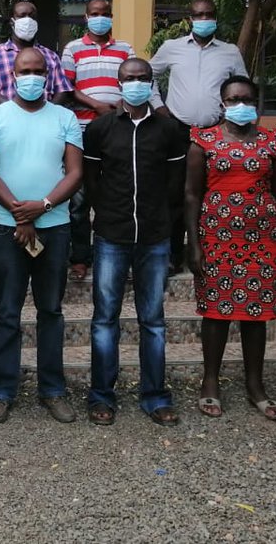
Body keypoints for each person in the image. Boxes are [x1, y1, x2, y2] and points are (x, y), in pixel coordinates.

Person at [0, 48, 82, 424]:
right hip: (8, 229)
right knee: (8, 311)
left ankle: (52, 389)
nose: (32, 76)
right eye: (25, 70)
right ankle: (2, 390)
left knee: (50, 310)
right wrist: (20, 211)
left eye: (39, 70)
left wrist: (43, 205)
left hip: (54, 228)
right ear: (12, 75)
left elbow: (74, 172)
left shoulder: (65, 117)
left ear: (49, 76)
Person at [185, 75, 276, 421]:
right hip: (216, 239)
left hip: (262, 240)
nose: (240, 105)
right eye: (233, 99)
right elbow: (190, 194)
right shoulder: (202, 140)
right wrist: (193, 242)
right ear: (222, 104)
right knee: (215, 314)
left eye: (246, 99)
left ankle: (255, 386)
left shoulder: (272, 141)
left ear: (257, 103)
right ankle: (211, 383)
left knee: (257, 315)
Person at [82, 57, 185, 427]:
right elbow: (90, 180)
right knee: (104, 319)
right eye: (130, 78)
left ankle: (155, 396)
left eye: (143, 78)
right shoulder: (100, 128)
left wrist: (166, 224)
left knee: (153, 320)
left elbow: (176, 184)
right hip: (112, 233)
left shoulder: (170, 130)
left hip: (156, 236)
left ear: (151, 83)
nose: (136, 83)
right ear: (118, 82)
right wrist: (105, 213)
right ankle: (101, 397)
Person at [149, 0, 247, 272]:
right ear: (190, 19)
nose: (204, 20)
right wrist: (158, 106)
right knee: (176, 193)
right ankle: (173, 256)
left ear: (216, 17)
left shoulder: (230, 52)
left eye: (209, 15)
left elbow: (242, 88)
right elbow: (148, 75)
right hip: (179, 130)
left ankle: (207, 252)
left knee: (213, 193)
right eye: (198, 15)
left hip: (218, 132)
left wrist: (237, 120)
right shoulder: (172, 48)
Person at [60, 0, 151, 279]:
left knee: (112, 193)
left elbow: (133, 82)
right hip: (82, 129)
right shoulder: (72, 48)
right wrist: (96, 105)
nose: (100, 17)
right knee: (79, 199)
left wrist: (117, 112)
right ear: (86, 17)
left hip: (117, 130)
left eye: (105, 13)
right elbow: (67, 86)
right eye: (94, 13)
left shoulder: (125, 49)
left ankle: (110, 253)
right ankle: (80, 257)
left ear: (111, 16)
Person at [0, 0, 72, 109]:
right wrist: (18, 112)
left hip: (44, 121)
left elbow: (62, 91)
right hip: (8, 119)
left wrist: (45, 113)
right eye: (22, 16)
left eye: (31, 16)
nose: (27, 20)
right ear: (12, 22)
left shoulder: (51, 56)